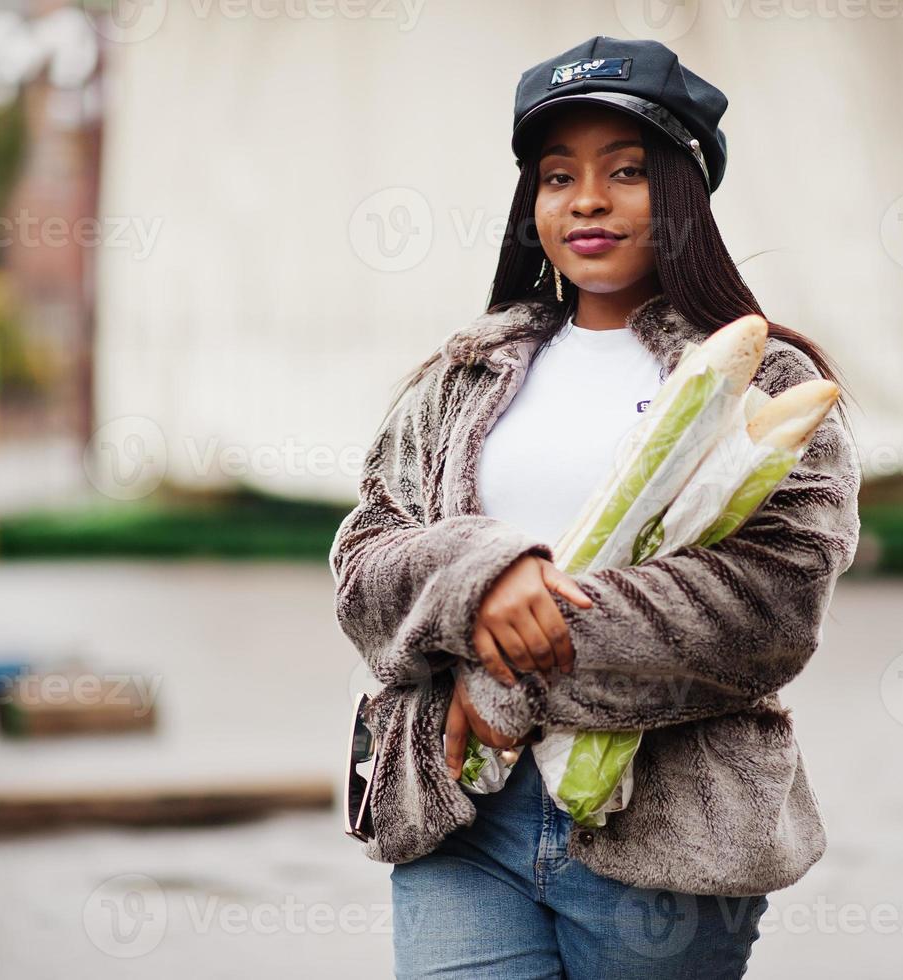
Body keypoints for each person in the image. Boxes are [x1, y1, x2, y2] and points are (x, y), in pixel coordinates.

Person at [329, 36, 862, 979]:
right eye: (554, 175)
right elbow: (365, 561)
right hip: (462, 815)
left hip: (670, 840)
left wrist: (500, 675)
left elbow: (767, 610)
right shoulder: (461, 376)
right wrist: (480, 575)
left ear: (684, 195)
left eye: (624, 172)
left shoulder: (768, 385)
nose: (584, 200)